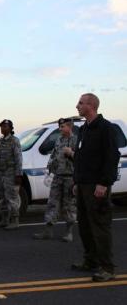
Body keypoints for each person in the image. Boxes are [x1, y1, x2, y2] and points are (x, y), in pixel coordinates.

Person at [72, 93, 120, 282]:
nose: (77, 106)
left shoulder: (105, 128)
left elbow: (112, 156)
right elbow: (80, 158)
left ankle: (107, 268)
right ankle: (90, 261)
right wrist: (76, 181)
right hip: (83, 185)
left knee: (100, 226)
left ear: (91, 106)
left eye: (81, 103)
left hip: (97, 186)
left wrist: (104, 183)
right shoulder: (84, 129)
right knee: (84, 225)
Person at [33, 118, 77, 242]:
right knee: (52, 203)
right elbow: (53, 156)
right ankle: (48, 231)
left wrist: (71, 153)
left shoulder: (75, 140)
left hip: (70, 177)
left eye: (62, 126)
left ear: (70, 127)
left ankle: (69, 232)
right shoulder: (59, 140)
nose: (60, 129)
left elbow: (82, 159)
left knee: (69, 205)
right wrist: (49, 170)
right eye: (60, 126)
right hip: (57, 176)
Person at [0, 119, 23, 230]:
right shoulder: (1, 141)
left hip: (10, 173)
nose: (3, 128)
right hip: (0, 173)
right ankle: (4, 219)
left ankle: (15, 220)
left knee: (11, 197)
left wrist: (19, 174)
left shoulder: (14, 141)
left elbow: (18, 158)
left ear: (10, 128)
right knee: (2, 197)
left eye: (5, 126)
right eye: (1, 127)